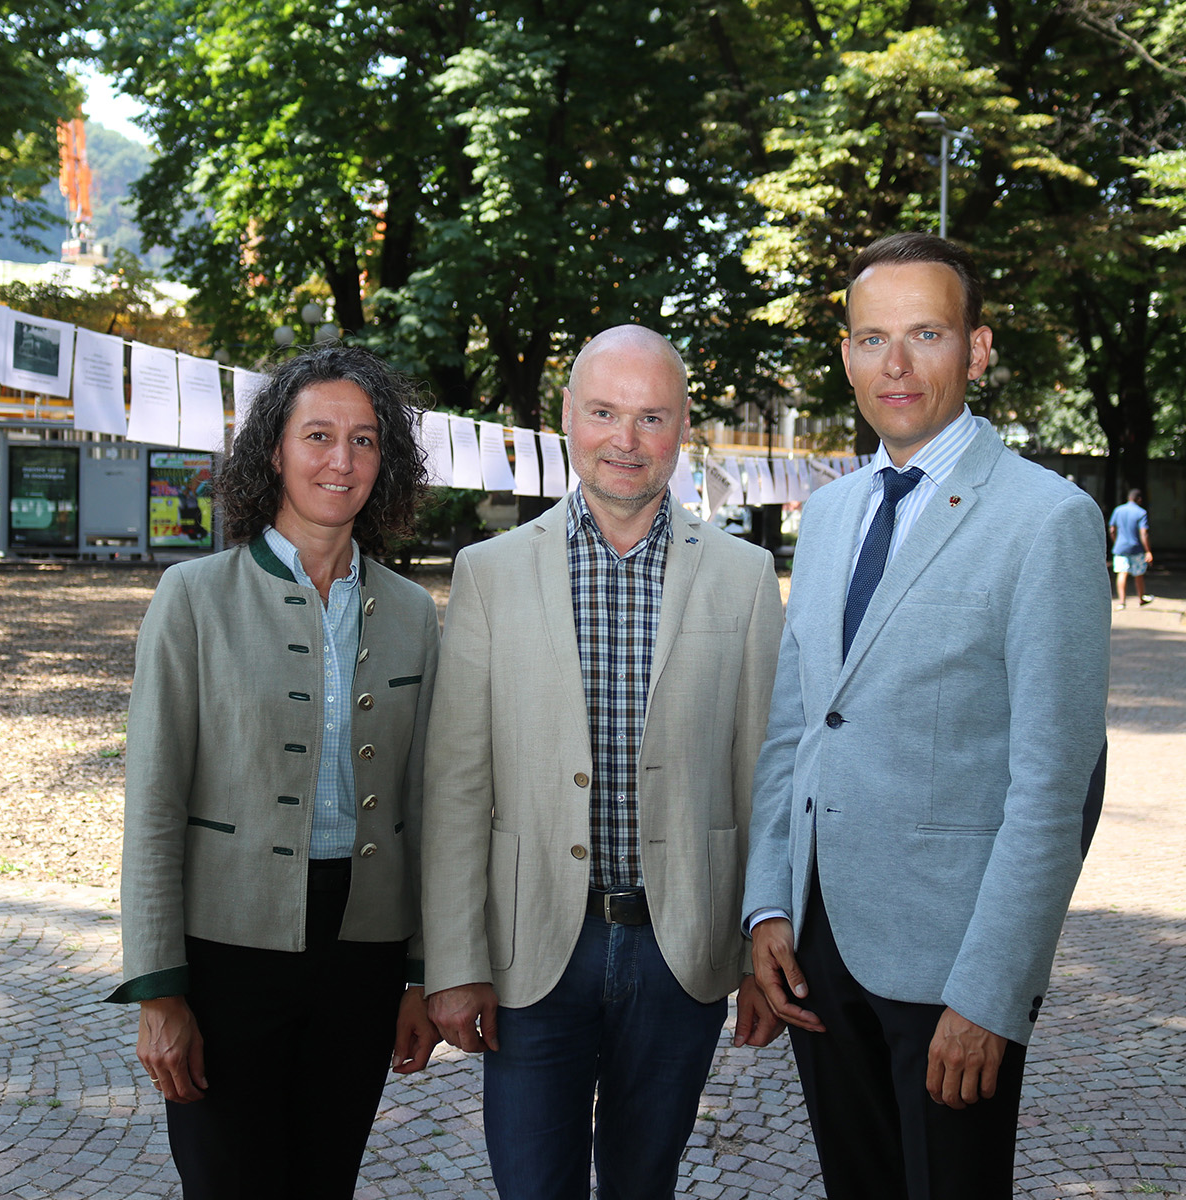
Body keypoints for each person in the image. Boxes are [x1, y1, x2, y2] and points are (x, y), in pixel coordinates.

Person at [744, 232, 1111, 1198]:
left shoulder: (1046, 520)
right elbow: (795, 730)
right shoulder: (829, 516)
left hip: (952, 971)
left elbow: (1055, 789)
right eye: (873, 339)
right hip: (818, 950)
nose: (896, 364)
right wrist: (769, 904)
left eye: (926, 334)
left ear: (977, 350)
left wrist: (993, 992)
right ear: (847, 356)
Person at [423, 325, 786, 1200]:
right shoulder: (489, 573)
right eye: (604, 412)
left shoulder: (742, 578)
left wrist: (754, 953)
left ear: (683, 427)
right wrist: (455, 960)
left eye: (652, 416)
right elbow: (457, 786)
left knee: (642, 1182)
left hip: (680, 948)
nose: (627, 439)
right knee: (531, 1185)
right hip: (531, 947)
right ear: (566, 417)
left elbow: (763, 777)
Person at [106, 344, 441, 1199]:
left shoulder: (412, 613)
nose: (341, 460)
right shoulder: (193, 598)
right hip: (226, 955)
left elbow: (427, 806)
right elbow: (153, 803)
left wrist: (420, 972)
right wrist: (159, 992)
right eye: (318, 435)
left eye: (364, 440)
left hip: (363, 957)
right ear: (274, 452)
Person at [1108, 487, 1153, 609]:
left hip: (1120, 548)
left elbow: (1112, 529)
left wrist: (1116, 542)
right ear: (1139, 499)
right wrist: (1148, 551)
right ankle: (1141, 598)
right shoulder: (1141, 512)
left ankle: (1122, 602)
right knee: (1138, 574)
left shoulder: (1118, 510)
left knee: (1122, 573)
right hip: (1136, 548)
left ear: (1128, 498)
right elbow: (1143, 533)